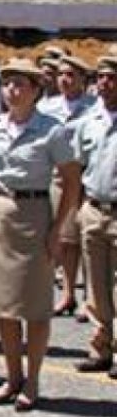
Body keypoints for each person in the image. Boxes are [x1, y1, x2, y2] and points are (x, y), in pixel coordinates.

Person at [0, 58, 80, 411]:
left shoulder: (52, 130)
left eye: (21, 84)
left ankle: (33, 379)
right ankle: (12, 375)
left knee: (35, 307)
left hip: (35, 215)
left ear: (36, 91)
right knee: (4, 305)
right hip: (1, 212)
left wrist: (57, 229)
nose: (13, 91)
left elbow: (71, 180)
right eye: (7, 84)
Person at [38, 55, 96, 318]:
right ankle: (68, 293)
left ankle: (90, 297)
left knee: (86, 240)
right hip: (57, 178)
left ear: (84, 80)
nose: (64, 79)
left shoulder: (93, 107)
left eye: (71, 75)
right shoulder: (47, 107)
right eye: (61, 74)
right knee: (64, 238)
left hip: (86, 178)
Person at [74, 55, 117, 379]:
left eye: (112, 78)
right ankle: (100, 346)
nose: (105, 83)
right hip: (93, 209)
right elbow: (77, 168)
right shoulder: (89, 120)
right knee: (95, 286)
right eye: (101, 77)